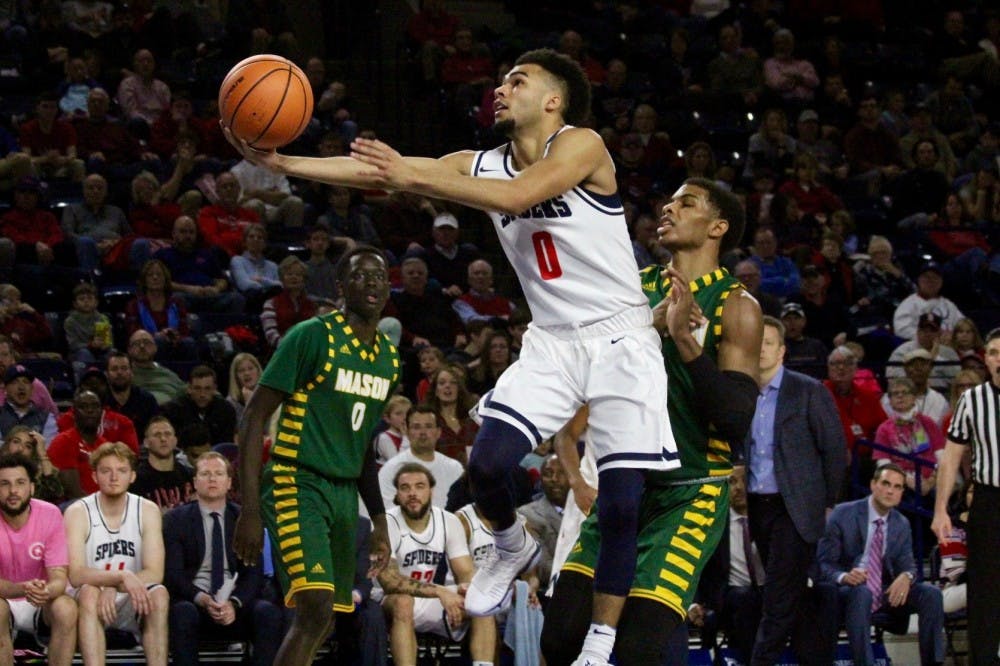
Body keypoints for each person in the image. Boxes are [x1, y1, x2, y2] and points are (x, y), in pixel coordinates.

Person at [227, 51, 678, 643]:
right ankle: (510, 543)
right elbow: (378, 172)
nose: (501, 87)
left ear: (553, 100)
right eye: (501, 79)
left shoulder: (582, 144)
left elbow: (519, 197)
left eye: (518, 80)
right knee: (488, 463)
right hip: (552, 341)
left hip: (621, 336)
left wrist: (410, 177)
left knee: (620, 505)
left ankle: (600, 645)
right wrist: (284, 160)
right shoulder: (480, 162)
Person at [543, 178, 762, 666]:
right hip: (626, 485)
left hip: (689, 492)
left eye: (687, 203)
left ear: (718, 227)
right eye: (670, 200)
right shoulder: (629, 290)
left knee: (639, 646)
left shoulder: (737, 306)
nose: (669, 207)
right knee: (558, 640)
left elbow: (733, 420)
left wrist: (685, 341)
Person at [233, 245, 401, 666]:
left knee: (326, 619)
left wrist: (380, 520)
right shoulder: (311, 335)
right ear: (342, 287)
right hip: (296, 480)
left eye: (380, 277)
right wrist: (249, 508)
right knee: (315, 607)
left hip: (344, 493)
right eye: (361, 276)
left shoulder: (390, 359)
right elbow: (253, 419)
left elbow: (362, 445)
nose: (373, 285)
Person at [743, 315, 846, 665]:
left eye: (768, 342)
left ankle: (761, 661)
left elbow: (834, 449)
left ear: (782, 351)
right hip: (758, 506)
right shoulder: (742, 392)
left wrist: (828, 503)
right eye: (756, 341)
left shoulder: (807, 390)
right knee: (792, 592)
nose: (761, 349)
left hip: (797, 507)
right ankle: (817, 659)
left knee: (778, 593)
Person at [164, 452, 284, 666]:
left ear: (229, 482)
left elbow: (254, 575)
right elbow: (174, 575)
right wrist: (201, 598)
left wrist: (234, 603)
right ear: (195, 482)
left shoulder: (245, 520)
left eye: (218, 474)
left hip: (234, 604)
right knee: (182, 613)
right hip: (194, 602)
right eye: (205, 474)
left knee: (268, 613)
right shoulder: (175, 520)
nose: (212, 479)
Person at [818, 464, 945, 666]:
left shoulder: (901, 523)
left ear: (902, 493)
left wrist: (907, 577)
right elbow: (823, 565)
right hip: (847, 591)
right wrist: (844, 576)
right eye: (885, 484)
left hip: (884, 592)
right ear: (873, 485)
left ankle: (933, 663)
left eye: (897, 487)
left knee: (931, 593)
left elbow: (908, 565)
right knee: (862, 593)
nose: (890, 491)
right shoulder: (843, 514)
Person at [65, 442, 169, 666]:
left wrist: (114, 586)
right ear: (94, 476)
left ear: (132, 476)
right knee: (89, 592)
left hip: (129, 597)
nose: (114, 477)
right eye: (106, 471)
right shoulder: (77, 512)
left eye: (121, 471)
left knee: (159, 593)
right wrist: (119, 578)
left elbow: (155, 572)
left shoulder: (148, 510)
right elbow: (76, 574)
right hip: (88, 598)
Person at [932, 327, 1000, 665]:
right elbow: (951, 456)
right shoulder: (973, 400)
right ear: (985, 358)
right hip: (989, 500)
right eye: (994, 353)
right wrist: (941, 509)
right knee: (984, 592)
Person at [378, 463, 481, 664]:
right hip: (388, 600)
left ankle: (483, 663)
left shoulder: (449, 521)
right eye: (405, 488)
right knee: (403, 602)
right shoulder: (385, 523)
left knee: (481, 603)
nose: (412, 493)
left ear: (431, 491)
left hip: (433, 597)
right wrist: (441, 592)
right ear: (397, 494)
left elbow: (465, 571)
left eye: (419, 486)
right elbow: (389, 582)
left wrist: (468, 590)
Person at [0, 452, 78, 666]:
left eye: (20, 483)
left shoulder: (50, 514)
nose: (13, 491)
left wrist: (46, 591)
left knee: (66, 608)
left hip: (42, 601)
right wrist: (23, 588)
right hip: (5, 598)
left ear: (32, 488)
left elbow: (59, 577)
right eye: (4, 484)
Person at [378, 404, 465, 511]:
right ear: (407, 431)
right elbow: (387, 513)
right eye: (416, 427)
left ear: (438, 432)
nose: (423, 433)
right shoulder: (391, 469)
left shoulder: (455, 468)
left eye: (428, 426)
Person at [47, 389, 130, 499]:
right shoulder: (63, 441)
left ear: (101, 412)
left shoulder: (105, 445)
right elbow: (73, 493)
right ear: (74, 413)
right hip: (74, 507)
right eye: (84, 406)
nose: (90, 410)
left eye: (95, 406)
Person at [874, 377, 945, 497]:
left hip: (932, 479)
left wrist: (931, 481)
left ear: (914, 397)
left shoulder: (927, 422)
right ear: (890, 401)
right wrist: (907, 480)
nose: (900, 396)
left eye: (905, 392)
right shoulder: (884, 429)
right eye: (895, 394)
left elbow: (942, 456)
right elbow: (883, 463)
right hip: (900, 482)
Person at [124, 259, 198, 362]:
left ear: (165, 279)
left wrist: (176, 336)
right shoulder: (134, 305)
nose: (155, 278)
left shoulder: (176, 303)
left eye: (159, 275)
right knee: (159, 341)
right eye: (150, 275)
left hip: (174, 343)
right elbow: (133, 332)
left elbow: (184, 330)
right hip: (144, 344)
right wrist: (155, 336)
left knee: (189, 342)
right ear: (144, 280)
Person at [517, 453, 569, 592]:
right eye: (548, 474)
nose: (554, 479)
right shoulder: (527, 515)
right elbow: (542, 568)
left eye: (562, 473)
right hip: (554, 594)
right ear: (541, 479)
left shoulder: (588, 512)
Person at [162, 365, 237, 448]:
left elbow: (226, 446)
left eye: (207, 388)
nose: (202, 394)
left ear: (214, 389)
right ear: (189, 388)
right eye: (197, 388)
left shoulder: (226, 410)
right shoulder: (173, 410)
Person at [129, 416, 193, 511]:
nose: (163, 439)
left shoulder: (190, 476)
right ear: (146, 443)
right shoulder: (135, 480)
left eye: (167, 434)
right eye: (157, 435)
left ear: (175, 441)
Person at [893, 262, 964, 341]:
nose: (931, 281)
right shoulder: (908, 304)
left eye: (935, 277)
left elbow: (964, 326)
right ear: (919, 280)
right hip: (919, 348)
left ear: (941, 282)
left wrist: (953, 336)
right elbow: (901, 330)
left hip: (949, 347)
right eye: (926, 277)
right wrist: (931, 337)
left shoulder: (949, 305)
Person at [260, 256, 317, 349]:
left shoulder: (313, 305)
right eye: (289, 274)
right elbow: (270, 334)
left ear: (304, 280)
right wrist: (289, 348)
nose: (294, 277)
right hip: (281, 353)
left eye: (298, 275)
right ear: (282, 278)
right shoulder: (270, 304)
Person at [0, 425, 63, 503]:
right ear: (8, 444)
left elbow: (55, 495)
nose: (20, 449)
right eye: (16, 442)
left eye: (28, 446)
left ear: (33, 453)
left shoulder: (37, 475)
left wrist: (42, 453)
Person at [64, 282, 114, 375]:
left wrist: (103, 345)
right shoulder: (70, 321)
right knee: (84, 353)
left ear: (96, 302)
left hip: (100, 352)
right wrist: (90, 345)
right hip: (78, 354)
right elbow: (73, 345)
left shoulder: (102, 318)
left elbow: (109, 343)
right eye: (82, 299)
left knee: (112, 353)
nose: (86, 301)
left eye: (90, 298)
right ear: (75, 303)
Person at [0, 364, 57, 445]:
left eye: (26, 382)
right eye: (15, 382)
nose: (21, 387)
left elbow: (49, 450)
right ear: (5, 389)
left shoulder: (47, 418)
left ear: (32, 389)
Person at [126, 329, 187, 405]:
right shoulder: (125, 375)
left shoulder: (168, 374)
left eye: (146, 342)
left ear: (155, 348)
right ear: (129, 350)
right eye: (137, 343)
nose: (142, 346)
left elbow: (187, 391)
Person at [230, 223, 283, 306]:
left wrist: (262, 280)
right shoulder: (237, 260)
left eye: (260, 237)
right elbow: (244, 284)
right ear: (244, 242)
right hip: (249, 302)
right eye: (251, 237)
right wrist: (267, 287)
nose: (255, 239)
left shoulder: (272, 265)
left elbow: (280, 286)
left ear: (265, 244)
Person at [779, 302, 828, 378]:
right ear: (781, 322)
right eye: (788, 319)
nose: (792, 323)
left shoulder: (817, 346)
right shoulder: (777, 348)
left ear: (804, 321)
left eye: (796, 318)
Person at [373, 394, 412, 468]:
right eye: (398, 414)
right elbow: (399, 465)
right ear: (387, 418)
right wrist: (405, 437)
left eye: (408, 413)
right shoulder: (384, 438)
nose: (404, 417)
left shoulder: (412, 435)